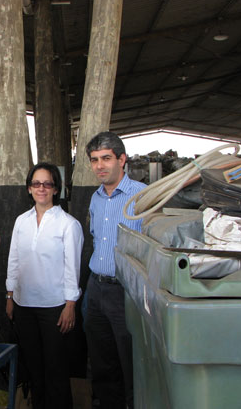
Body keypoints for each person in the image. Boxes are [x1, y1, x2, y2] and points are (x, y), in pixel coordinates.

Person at [5, 162, 84, 409]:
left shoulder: (68, 224)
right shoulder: (21, 221)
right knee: (33, 367)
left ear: (56, 189)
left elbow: (72, 269)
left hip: (54, 307)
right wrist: (10, 296)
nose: (41, 188)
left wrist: (70, 305)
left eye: (47, 184)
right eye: (36, 183)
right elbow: (13, 260)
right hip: (23, 305)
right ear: (29, 188)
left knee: (56, 368)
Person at [84, 131, 147, 409]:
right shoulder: (96, 198)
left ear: (122, 160)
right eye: (94, 160)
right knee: (101, 361)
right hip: (96, 288)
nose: (100, 166)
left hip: (126, 292)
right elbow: (96, 238)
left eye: (106, 158)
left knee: (130, 360)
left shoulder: (142, 195)